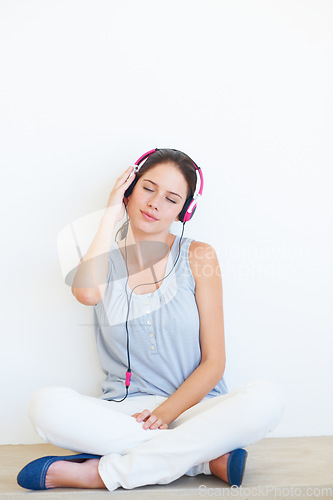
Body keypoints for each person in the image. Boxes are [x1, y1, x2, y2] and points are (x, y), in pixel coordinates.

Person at [17, 148, 285, 491]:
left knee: (267, 397)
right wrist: (110, 215)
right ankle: (201, 458)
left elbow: (214, 363)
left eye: (171, 198)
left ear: (183, 211)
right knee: (45, 405)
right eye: (147, 188)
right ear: (129, 190)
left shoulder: (199, 255)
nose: (155, 203)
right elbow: (86, 294)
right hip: (127, 413)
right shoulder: (101, 258)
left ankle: (101, 474)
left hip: (196, 408)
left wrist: (167, 414)